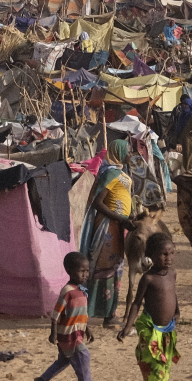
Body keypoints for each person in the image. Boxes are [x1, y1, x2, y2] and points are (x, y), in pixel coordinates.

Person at [116, 232, 179, 381]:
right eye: (163, 254)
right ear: (151, 255)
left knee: (164, 372)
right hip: (150, 331)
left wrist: (177, 312)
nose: (168, 258)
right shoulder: (148, 278)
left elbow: (173, 295)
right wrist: (128, 326)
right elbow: (137, 303)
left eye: (172, 253)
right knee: (155, 372)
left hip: (168, 331)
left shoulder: (172, 274)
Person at [79, 139, 136, 327]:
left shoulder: (120, 172)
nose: (130, 153)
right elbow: (97, 202)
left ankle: (109, 312)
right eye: (127, 150)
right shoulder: (110, 174)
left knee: (116, 269)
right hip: (108, 228)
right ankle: (105, 315)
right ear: (118, 152)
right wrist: (121, 219)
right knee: (106, 269)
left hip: (119, 226)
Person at [34, 252, 96, 381]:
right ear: (70, 271)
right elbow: (55, 314)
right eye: (82, 271)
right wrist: (53, 333)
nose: (85, 274)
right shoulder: (67, 291)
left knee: (64, 361)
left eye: (87, 271)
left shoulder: (81, 291)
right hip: (68, 335)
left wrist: (87, 329)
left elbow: (80, 315)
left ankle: (42, 380)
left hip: (77, 332)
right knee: (83, 356)